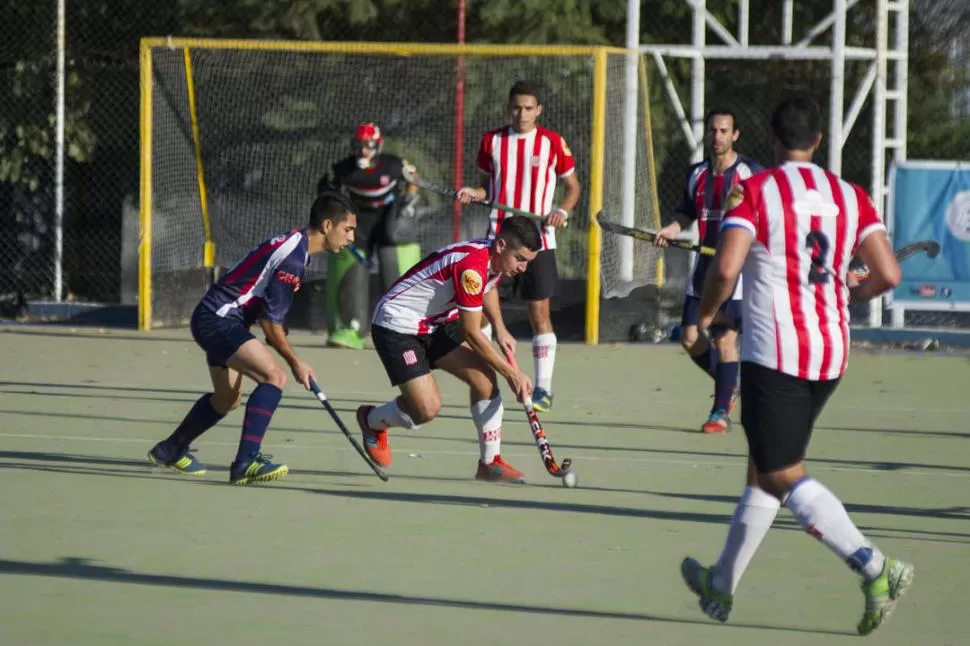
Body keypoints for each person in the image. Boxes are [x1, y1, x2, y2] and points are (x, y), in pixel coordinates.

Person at [679, 95, 913, 635]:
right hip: (831, 351)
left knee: (783, 472)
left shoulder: (757, 190)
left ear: (770, 142)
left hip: (776, 354)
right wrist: (849, 295)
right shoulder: (850, 194)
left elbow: (727, 266)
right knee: (763, 469)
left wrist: (711, 314)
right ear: (819, 143)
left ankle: (875, 567)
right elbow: (888, 276)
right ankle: (723, 583)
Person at [147, 193, 358, 485]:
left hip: (218, 318)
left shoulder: (295, 243)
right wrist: (297, 362)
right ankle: (246, 461)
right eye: (348, 230)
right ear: (326, 225)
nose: (351, 238)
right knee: (275, 377)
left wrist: (277, 330)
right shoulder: (294, 259)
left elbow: (268, 312)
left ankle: (170, 449)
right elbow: (269, 323)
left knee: (226, 400)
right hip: (219, 319)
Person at [356, 215, 541, 483]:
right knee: (426, 410)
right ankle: (372, 421)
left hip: (434, 323)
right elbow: (471, 333)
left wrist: (500, 328)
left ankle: (490, 463)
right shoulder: (471, 266)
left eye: (527, 262)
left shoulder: (495, 260)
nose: (523, 268)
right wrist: (512, 373)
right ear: (501, 245)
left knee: (484, 381)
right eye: (521, 259)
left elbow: (488, 288)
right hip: (397, 324)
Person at [457, 81, 581, 412]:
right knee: (482, 313)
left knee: (539, 313)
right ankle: (486, 379)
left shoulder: (553, 142)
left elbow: (572, 188)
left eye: (528, 108)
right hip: (497, 240)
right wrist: (474, 193)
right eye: (516, 107)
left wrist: (561, 210)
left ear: (539, 110)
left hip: (538, 241)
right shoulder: (492, 141)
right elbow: (486, 190)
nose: (521, 113)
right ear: (508, 107)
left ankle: (542, 389)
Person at [654, 109, 764, 433]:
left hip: (737, 268)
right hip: (704, 266)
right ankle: (730, 385)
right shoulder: (696, 173)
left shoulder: (750, 173)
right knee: (690, 338)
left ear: (736, 135)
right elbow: (686, 211)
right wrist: (673, 229)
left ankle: (720, 412)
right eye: (713, 131)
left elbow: (767, 213)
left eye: (724, 131)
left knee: (724, 340)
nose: (717, 137)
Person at [318, 122, 423, 350]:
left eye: (369, 145)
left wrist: (409, 200)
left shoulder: (392, 165)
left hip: (389, 219)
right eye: (359, 145)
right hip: (358, 219)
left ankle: (402, 330)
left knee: (396, 268)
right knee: (351, 267)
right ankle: (348, 328)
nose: (364, 151)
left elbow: (413, 177)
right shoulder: (343, 169)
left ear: (378, 144)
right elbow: (327, 190)